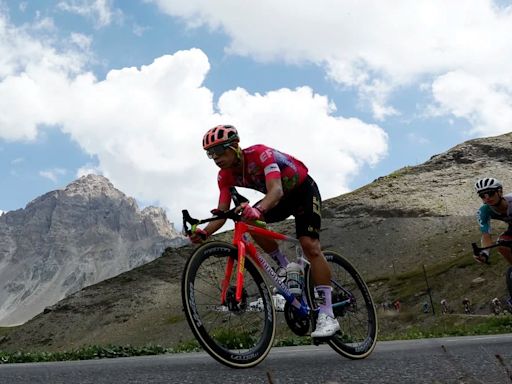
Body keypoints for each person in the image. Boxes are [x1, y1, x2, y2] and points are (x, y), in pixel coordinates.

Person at [189, 124, 340, 338]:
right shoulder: (224, 176)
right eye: (210, 154)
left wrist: (257, 209)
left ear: (234, 147)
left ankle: (327, 315)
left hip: (302, 191)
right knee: (246, 221)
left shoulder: (260, 154)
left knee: (309, 245)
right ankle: (285, 268)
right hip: (279, 199)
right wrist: (205, 233)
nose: (215, 157)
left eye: (219, 151)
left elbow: (276, 190)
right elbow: (222, 213)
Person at [474, 177, 512, 307]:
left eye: (490, 193)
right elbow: (486, 235)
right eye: (482, 196)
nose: (486, 198)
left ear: (500, 192)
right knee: (502, 243)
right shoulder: (484, 211)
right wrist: (484, 253)